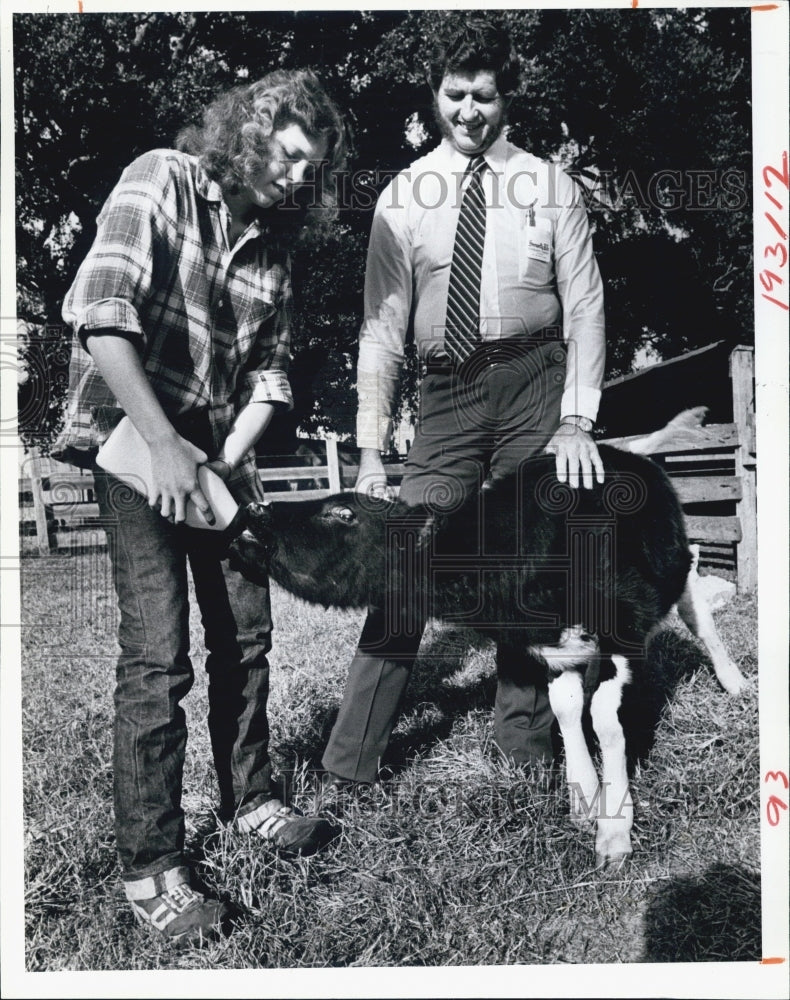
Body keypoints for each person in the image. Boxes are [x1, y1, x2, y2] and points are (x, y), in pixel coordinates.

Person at [52, 69, 347, 947]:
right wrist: (170, 448)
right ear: (252, 131)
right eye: (292, 154)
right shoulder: (161, 178)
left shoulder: (275, 255)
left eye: (315, 167)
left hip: (215, 453)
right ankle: (153, 865)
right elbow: (101, 316)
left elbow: (270, 375)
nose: (301, 177)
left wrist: (220, 462)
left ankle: (250, 800)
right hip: (135, 438)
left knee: (247, 637)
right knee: (158, 655)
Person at [321, 20, 606, 791]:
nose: (471, 111)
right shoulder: (402, 196)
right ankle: (349, 765)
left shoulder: (552, 186)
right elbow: (380, 328)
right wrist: (373, 445)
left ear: (506, 96)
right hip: (444, 394)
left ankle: (525, 751)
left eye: (485, 95)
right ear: (435, 97)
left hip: (535, 385)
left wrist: (577, 417)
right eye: (456, 95)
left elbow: (584, 308)